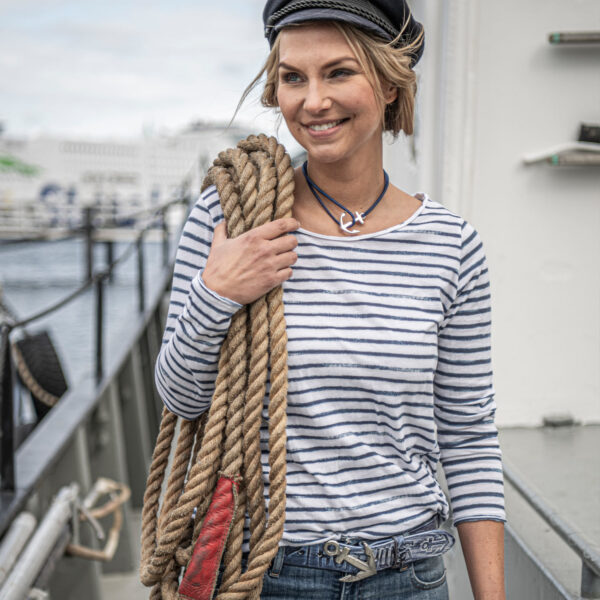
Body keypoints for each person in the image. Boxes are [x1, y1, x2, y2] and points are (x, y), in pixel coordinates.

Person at [155, 1, 506, 598]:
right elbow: (182, 399)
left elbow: (468, 437)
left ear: (391, 84)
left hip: (410, 574)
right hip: (264, 574)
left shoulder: (451, 245)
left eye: (338, 72)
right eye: (293, 77)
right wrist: (219, 291)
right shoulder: (230, 217)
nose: (312, 101)